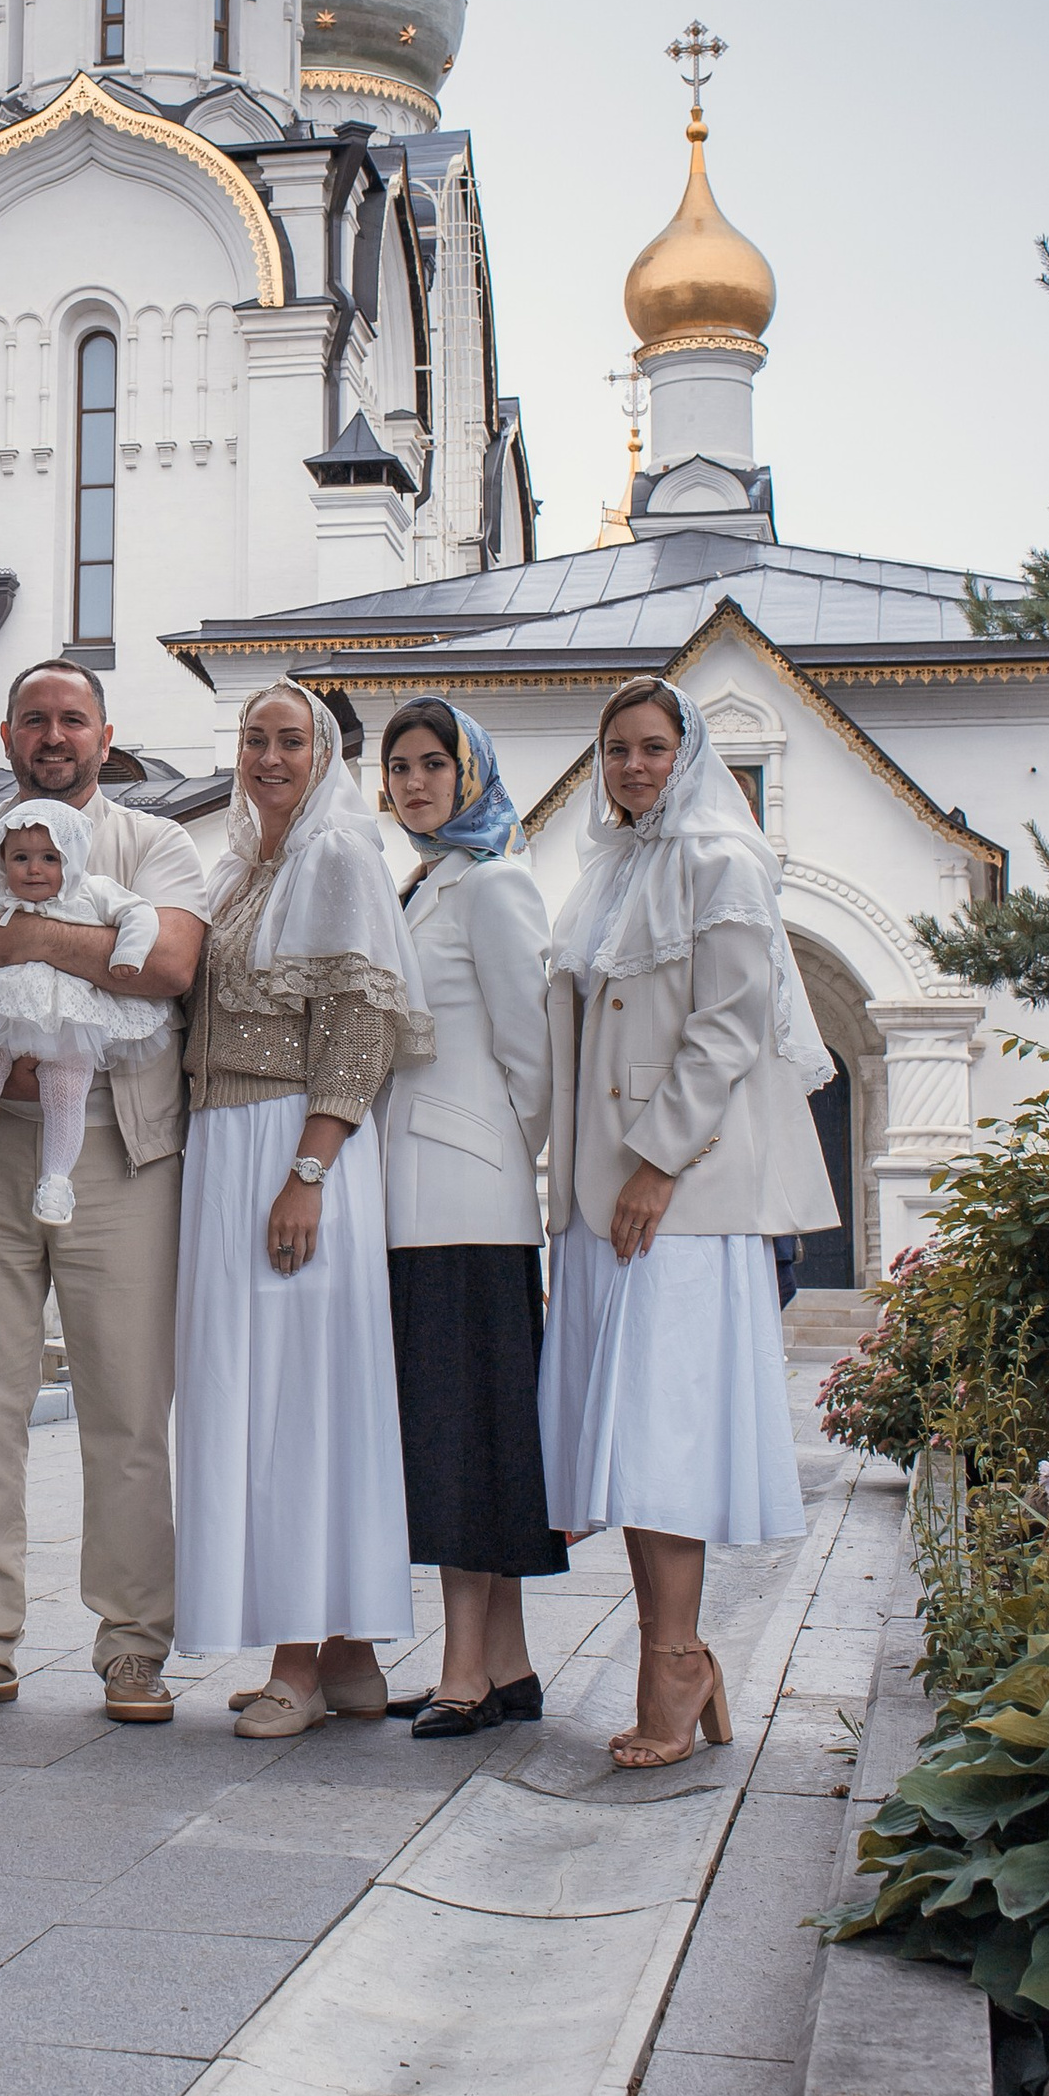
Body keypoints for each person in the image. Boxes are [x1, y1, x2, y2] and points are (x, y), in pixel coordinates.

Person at [0, 659, 206, 1722]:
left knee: (126, 1406)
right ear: (5, 733)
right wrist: (12, 1064)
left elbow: (166, 967)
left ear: (104, 735)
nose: (54, 735)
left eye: (73, 719)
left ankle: (130, 1646)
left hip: (118, 1145)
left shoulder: (153, 842)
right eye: (35, 719)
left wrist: (28, 940)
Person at [540, 678, 838, 1769]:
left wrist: (657, 1164)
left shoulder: (722, 861)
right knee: (624, 1442)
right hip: (596, 1203)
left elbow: (726, 1028)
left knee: (661, 1441)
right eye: (615, 748)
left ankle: (672, 1665)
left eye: (653, 747)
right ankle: (677, 1652)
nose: (632, 766)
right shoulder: (606, 873)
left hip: (680, 1200)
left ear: (689, 754)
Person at [175, 684, 431, 1740]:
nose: (269, 757)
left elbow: (360, 1025)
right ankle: (350, 1653)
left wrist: (309, 1170)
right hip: (227, 1145)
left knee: (296, 1398)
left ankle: (297, 1656)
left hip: (292, 1147)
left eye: (290, 741)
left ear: (323, 756)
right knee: (271, 1391)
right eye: (255, 738)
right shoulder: (241, 865)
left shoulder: (336, 856)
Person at [377, 698, 565, 1737]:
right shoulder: (425, 882)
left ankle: (462, 1672)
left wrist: (496, 1153)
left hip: (469, 1199)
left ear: (472, 773)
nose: (414, 783)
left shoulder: (493, 885)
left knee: (462, 1434)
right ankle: (508, 1662)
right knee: (475, 1431)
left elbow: (531, 1056)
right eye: (400, 767)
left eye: (433, 765)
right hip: (416, 1197)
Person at [0, 798, 171, 1227]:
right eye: (20, 858)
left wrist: (129, 952)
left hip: (72, 1019)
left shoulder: (93, 892)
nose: (33, 869)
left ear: (73, 858)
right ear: (2, 861)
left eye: (50, 858)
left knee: (66, 1089)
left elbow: (140, 912)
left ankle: (57, 1182)